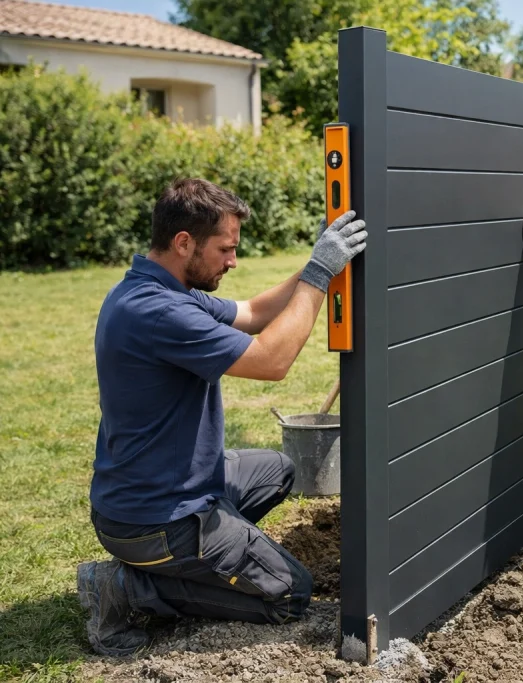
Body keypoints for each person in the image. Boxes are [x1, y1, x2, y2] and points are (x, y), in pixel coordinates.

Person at [77, 178, 367, 656]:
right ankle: (128, 587)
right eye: (225, 249)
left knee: (278, 470)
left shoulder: (162, 288)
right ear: (183, 242)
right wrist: (320, 272)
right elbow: (271, 360)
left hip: (153, 492)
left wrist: (320, 259)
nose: (233, 261)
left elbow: (253, 312)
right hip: (154, 520)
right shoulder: (159, 312)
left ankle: (204, 558)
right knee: (290, 594)